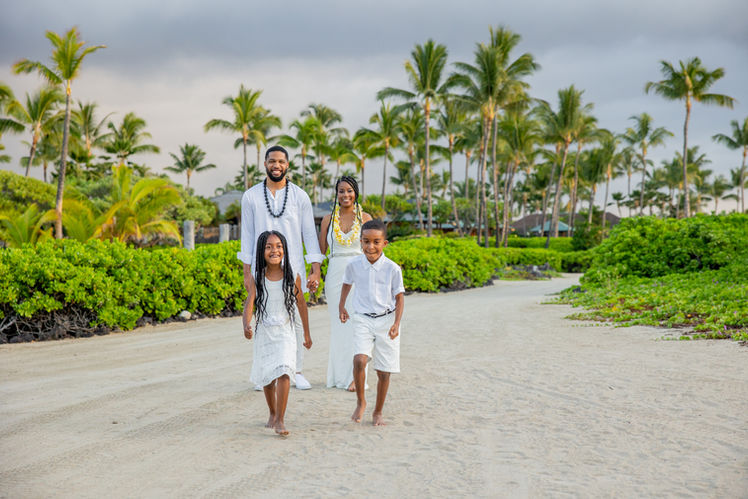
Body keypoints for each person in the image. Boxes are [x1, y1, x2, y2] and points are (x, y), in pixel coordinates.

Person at [237, 145, 323, 391]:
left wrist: (314, 268)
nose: (277, 165)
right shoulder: (251, 196)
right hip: (261, 268)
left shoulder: (300, 196)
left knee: (294, 318)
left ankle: (296, 371)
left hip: (292, 265)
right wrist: (247, 272)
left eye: (281, 162)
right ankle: (265, 374)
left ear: (287, 165)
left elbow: (309, 233)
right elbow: (247, 235)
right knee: (263, 318)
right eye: (272, 161)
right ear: (265, 164)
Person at [243, 231, 311, 436]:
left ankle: (281, 419)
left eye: (279, 246)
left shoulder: (292, 276)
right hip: (265, 331)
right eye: (269, 247)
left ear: (285, 250)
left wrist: (307, 333)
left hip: (285, 331)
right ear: (261, 251)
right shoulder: (257, 277)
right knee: (267, 376)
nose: (275, 250)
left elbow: (301, 304)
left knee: (284, 370)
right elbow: (250, 302)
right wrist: (246, 324)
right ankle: (272, 412)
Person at [339, 220, 405, 426]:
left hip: (387, 320)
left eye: (376, 242)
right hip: (362, 318)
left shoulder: (392, 269)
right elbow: (347, 284)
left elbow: (400, 297)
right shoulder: (354, 265)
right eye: (366, 241)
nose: (370, 246)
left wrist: (396, 323)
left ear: (385, 243)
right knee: (359, 360)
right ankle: (361, 402)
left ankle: (378, 411)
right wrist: (341, 306)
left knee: (384, 371)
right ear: (360, 242)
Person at [318, 176, 372, 391]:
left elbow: (373, 249)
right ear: (336, 194)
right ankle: (338, 376)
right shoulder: (327, 220)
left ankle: (357, 377)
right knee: (340, 326)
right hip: (335, 276)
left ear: (355, 193)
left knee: (359, 324)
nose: (345, 195)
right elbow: (320, 252)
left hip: (360, 274)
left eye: (349, 191)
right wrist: (314, 274)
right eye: (341, 191)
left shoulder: (365, 217)